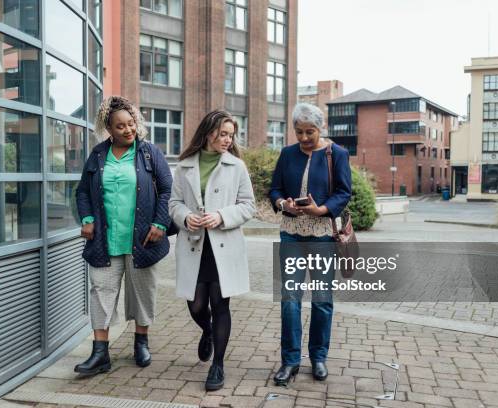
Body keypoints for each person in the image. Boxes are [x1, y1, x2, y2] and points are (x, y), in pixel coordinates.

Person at [75, 96, 173, 375]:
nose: (128, 130)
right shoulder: (97, 155)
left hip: (143, 239)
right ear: (108, 128)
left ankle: (141, 341)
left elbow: (167, 190)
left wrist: (160, 223)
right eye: (120, 126)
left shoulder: (149, 153)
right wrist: (87, 218)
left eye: (131, 124)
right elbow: (83, 191)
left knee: (143, 292)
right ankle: (100, 352)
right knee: (100, 293)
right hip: (105, 241)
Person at [169, 110, 255, 391]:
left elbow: (248, 206)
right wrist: (185, 217)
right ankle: (207, 331)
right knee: (195, 305)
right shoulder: (184, 166)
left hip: (224, 245)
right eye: (223, 134)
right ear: (208, 133)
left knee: (220, 304)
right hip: (194, 244)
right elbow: (174, 203)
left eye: (231, 135)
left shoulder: (236, 167)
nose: (228, 139)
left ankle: (218, 365)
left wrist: (221, 216)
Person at [268, 103, 352, 385]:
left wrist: (322, 210)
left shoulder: (336, 154)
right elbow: (275, 189)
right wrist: (283, 204)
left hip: (322, 237)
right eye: (299, 132)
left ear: (321, 128)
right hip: (291, 233)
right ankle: (290, 361)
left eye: (310, 132)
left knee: (321, 299)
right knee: (290, 300)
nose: (303, 138)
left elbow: (343, 192)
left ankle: (318, 358)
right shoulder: (287, 153)